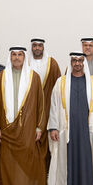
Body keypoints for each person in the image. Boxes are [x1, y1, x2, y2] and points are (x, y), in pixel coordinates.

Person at [47, 52, 93, 185]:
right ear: (70, 62)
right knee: (66, 162)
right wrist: (53, 127)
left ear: (84, 63)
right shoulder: (61, 82)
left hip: (88, 131)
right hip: (67, 131)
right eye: (74, 60)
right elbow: (53, 106)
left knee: (89, 162)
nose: (78, 63)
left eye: (80, 60)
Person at [0, 47, 47, 185]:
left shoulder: (33, 77)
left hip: (28, 128)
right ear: (10, 57)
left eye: (20, 55)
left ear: (24, 57)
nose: (16, 58)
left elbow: (41, 104)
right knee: (8, 165)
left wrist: (39, 127)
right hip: (6, 128)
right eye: (14, 55)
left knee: (26, 164)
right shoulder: (1, 77)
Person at [28, 38, 62, 173]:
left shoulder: (52, 63)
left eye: (40, 46)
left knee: (47, 140)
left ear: (43, 47)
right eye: (35, 45)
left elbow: (59, 87)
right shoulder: (26, 62)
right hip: (29, 110)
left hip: (48, 108)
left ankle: (47, 170)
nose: (37, 48)